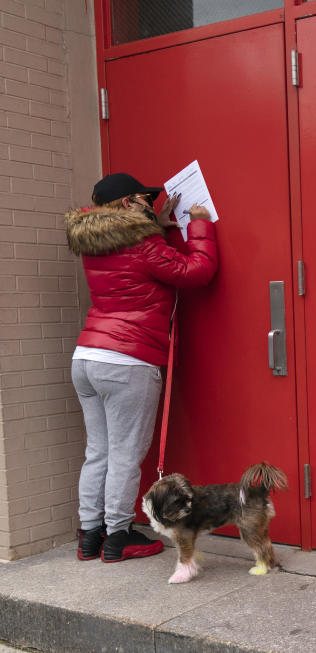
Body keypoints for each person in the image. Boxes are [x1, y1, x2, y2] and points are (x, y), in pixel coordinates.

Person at [65, 172, 218, 563]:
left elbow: (135, 269)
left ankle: (90, 536)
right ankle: (118, 537)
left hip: (87, 357)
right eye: (144, 200)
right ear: (126, 203)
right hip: (126, 361)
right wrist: (198, 224)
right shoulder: (142, 243)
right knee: (124, 455)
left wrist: (156, 227)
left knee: (97, 451)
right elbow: (195, 272)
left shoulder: (94, 243)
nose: (150, 206)